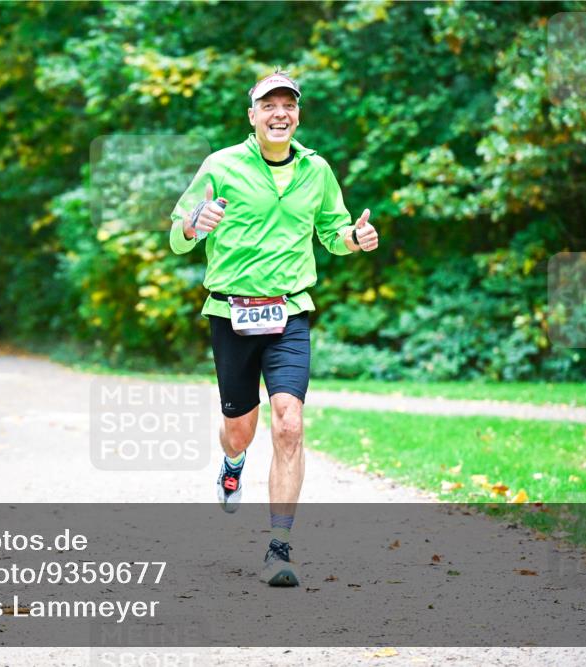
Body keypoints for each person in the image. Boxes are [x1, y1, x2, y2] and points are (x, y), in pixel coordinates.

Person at [169, 71, 380, 587]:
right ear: (252, 116)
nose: (279, 113)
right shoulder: (221, 166)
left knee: (289, 423)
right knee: (241, 428)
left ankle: (279, 548)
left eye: (288, 104)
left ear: (297, 115)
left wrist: (355, 237)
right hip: (231, 313)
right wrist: (197, 222)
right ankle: (232, 461)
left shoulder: (317, 170)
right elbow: (178, 237)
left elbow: (333, 234)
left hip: (289, 313)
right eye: (269, 105)